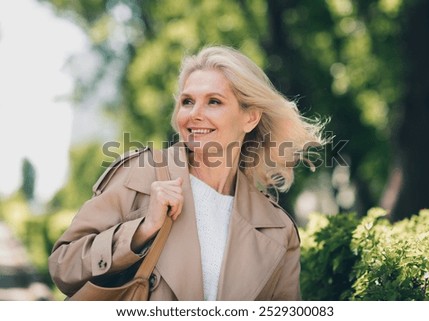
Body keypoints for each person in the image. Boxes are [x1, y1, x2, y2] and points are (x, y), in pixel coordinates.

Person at [48, 45, 325, 301]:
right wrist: (141, 231)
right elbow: (64, 265)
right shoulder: (142, 175)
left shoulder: (278, 229)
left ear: (250, 117)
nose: (194, 114)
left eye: (214, 102)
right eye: (187, 101)